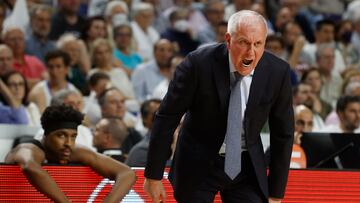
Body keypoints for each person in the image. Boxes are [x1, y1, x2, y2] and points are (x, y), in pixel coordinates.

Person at [143, 10, 294, 203]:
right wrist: (153, 175)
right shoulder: (198, 64)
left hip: (246, 165)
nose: (251, 52)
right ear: (229, 40)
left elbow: (284, 133)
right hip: (199, 163)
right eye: (244, 42)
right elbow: (166, 117)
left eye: (258, 44)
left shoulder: (277, 71)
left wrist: (276, 192)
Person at [5, 105, 135, 202]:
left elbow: (126, 173)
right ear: (46, 134)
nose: (69, 143)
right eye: (61, 135)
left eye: (73, 136)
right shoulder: (27, 149)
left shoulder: (74, 151)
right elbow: (30, 167)